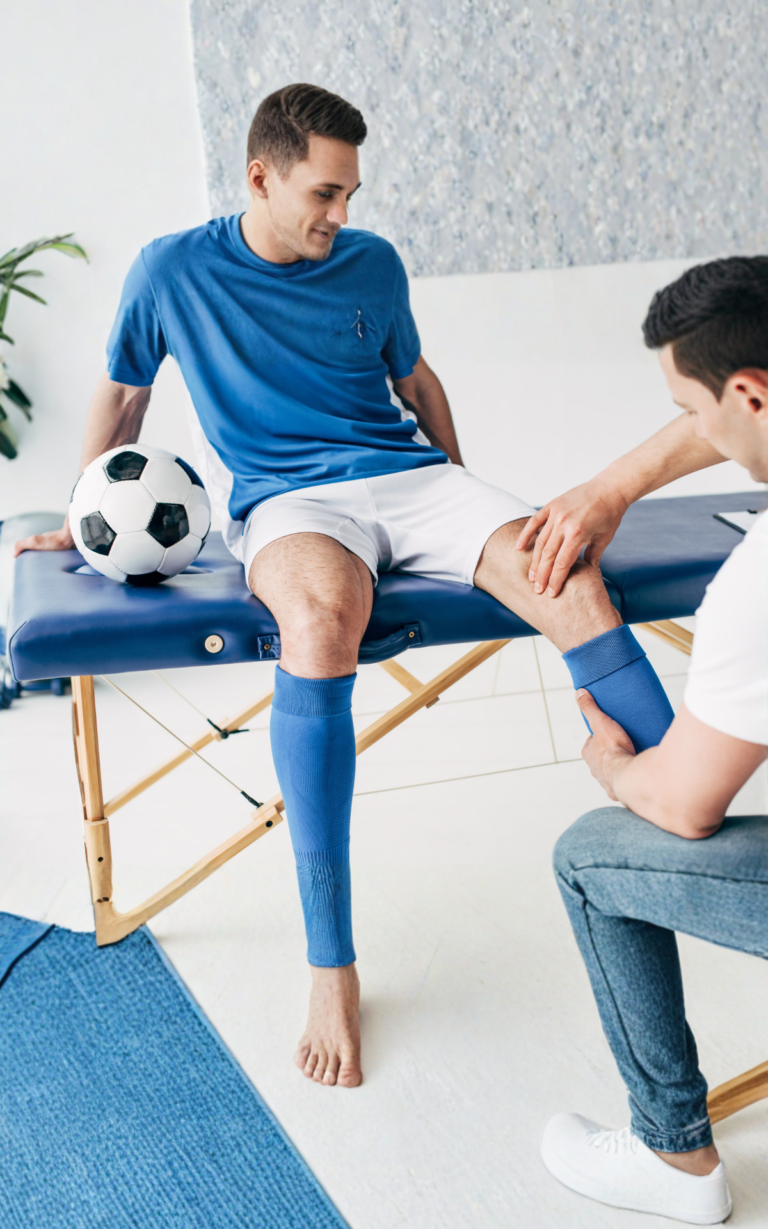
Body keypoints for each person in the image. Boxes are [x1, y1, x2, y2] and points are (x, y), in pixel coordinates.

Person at [14, 83, 676, 1089]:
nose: (341, 213)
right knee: (321, 621)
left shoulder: (372, 262)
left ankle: (688, 823)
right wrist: (80, 508)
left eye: (351, 193)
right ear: (261, 177)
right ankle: (331, 964)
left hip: (414, 482)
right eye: (324, 192)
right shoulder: (171, 269)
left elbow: (419, 382)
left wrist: (469, 504)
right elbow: (125, 393)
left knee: (568, 575)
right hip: (290, 501)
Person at [541, 256, 768, 1225]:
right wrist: (616, 484)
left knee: (591, 855)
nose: (697, 432)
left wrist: (613, 764)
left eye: (692, 410)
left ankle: (674, 1157)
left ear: (749, 394)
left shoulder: (757, 585)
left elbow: (684, 804)